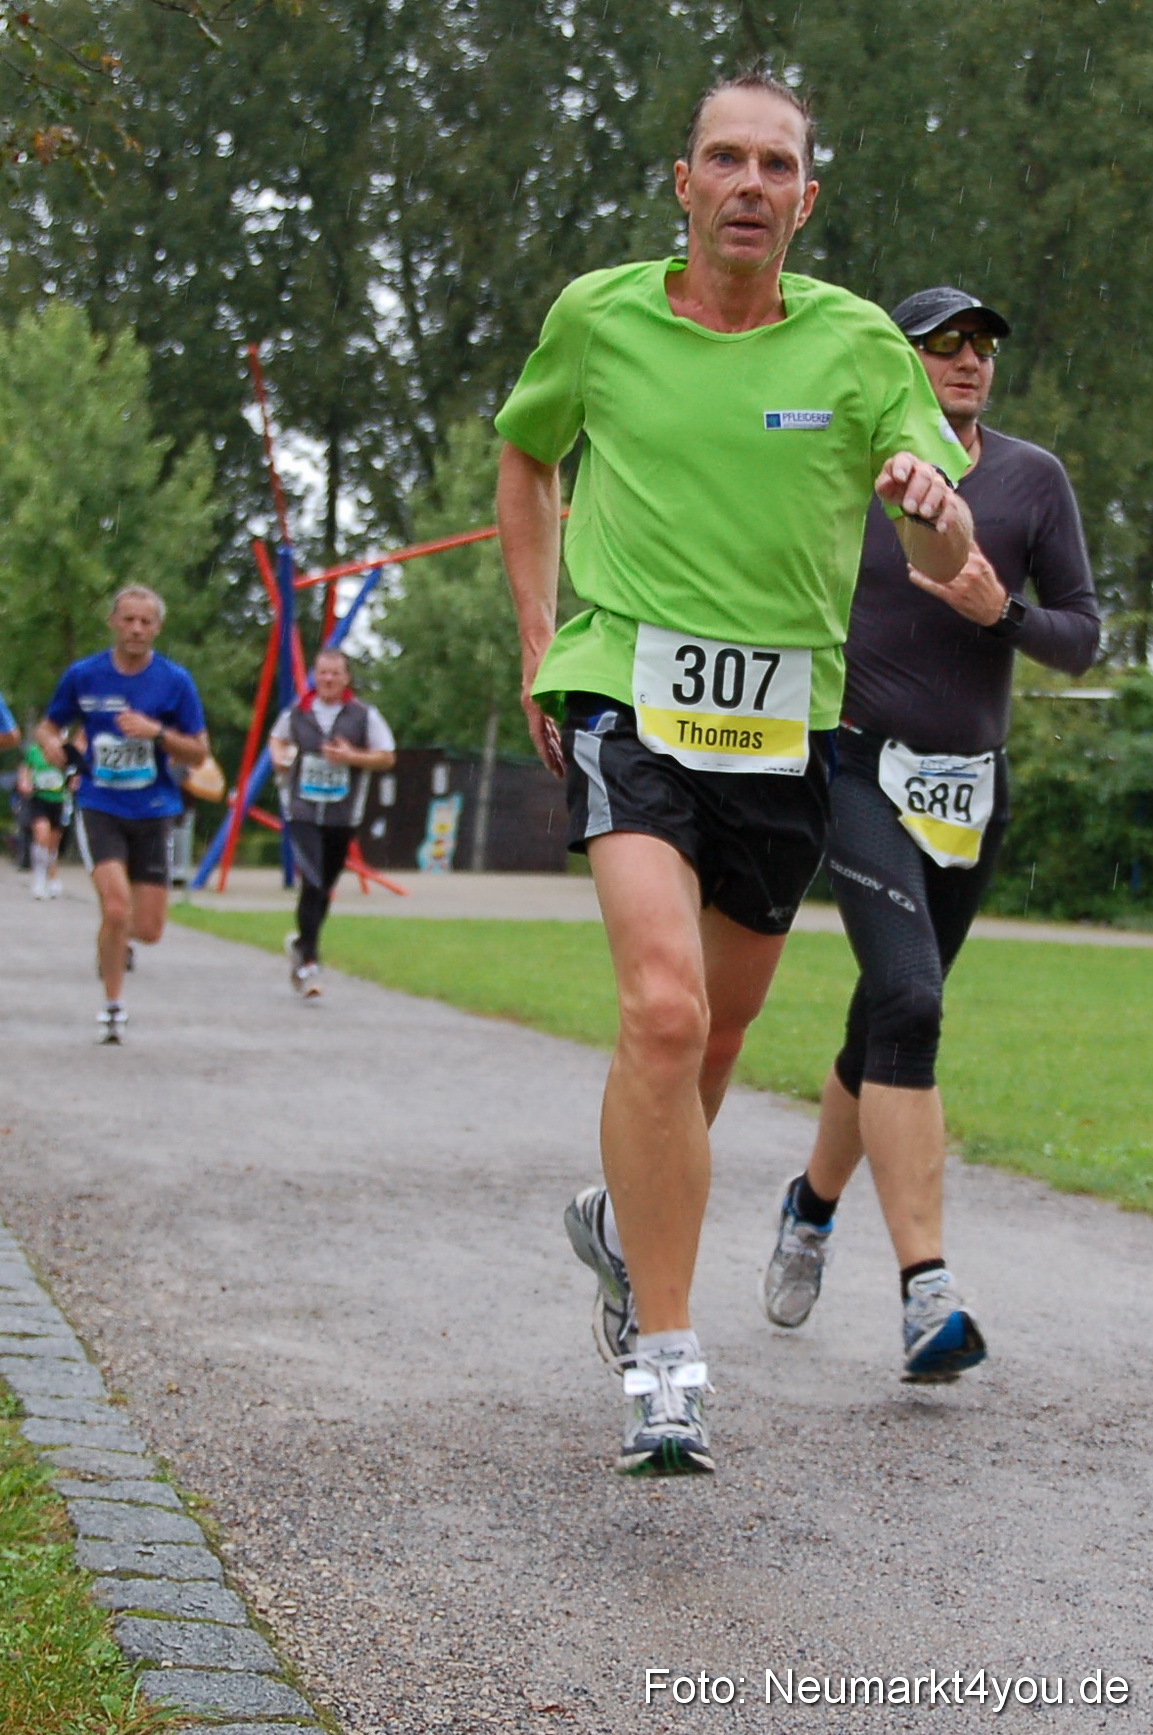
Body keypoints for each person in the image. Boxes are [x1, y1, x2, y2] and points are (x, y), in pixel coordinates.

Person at [496, 72, 975, 1477]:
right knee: (659, 1008)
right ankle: (666, 1359)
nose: (751, 183)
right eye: (727, 159)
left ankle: (618, 1222)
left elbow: (948, 561)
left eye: (778, 164)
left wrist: (934, 519)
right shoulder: (600, 317)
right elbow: (527, 461)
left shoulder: (857, 345)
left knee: (707, 1049)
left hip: (780, 731)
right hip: (623, 693)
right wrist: (539, 634)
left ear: (806, 198)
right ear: (684, 183)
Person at [760, 286, 1099, 1380]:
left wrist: (997, 612)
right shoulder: (841, 470)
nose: (966, 360)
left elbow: (1080, 640)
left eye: (982, 343)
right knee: (910, 1000)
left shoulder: (1028, 479)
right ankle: (927, 1296)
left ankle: (808, 1208)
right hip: (855, 762)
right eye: (941, 343)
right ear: (895, 361)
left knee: (884, 1019)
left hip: (970, 791)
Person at [36, 586, 210, 1042]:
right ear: (113, 621)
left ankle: (113, 945)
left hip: (154, 808)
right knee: (115, 909)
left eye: (145, 622)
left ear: (157, 628)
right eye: (128, 619)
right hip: (100, 803)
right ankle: (113, 1006)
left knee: (147, 930)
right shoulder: (84, 675)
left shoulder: (175, 681)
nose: (136, 629)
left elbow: (199, 751)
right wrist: (51, 745)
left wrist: (156, 732)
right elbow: (48, 725)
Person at [269, 646, 396, 999]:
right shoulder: (297, 713)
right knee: (311, 880)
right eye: (322, 673)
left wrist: (351, 756)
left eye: (334, 673)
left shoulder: (363, 716)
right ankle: (310, 960)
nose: (327, 679)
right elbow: (277, 738)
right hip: (303, 811)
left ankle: (300, 943)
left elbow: (386, 756)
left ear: (346, 678)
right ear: (314, 675)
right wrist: (279, 756)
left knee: (323, 886)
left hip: (342, 815)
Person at [17, 733, 74, 898]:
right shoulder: (34, 750)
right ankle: (39, 878)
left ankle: (53, 877)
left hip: (59, 800)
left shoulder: (67, 752)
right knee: (41, 836)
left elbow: (74, 772)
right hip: (38, 798)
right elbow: (25, 768)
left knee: (52, 844)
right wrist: (24, 781)